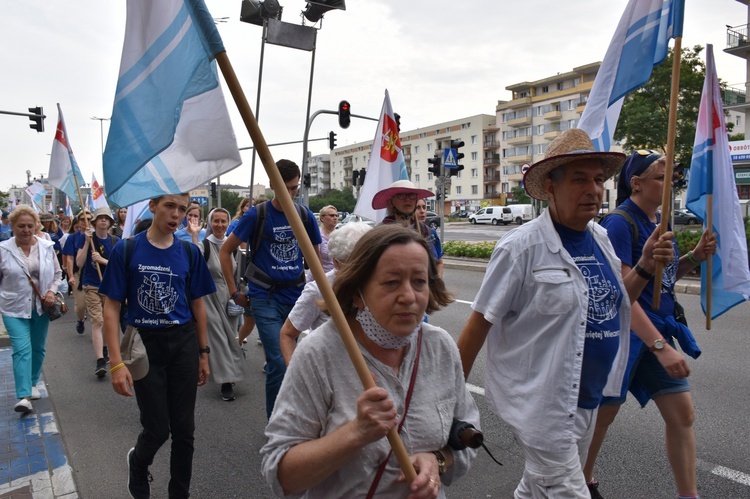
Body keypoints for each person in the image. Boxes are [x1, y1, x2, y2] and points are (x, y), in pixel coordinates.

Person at [456, 129, 677, 499]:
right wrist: (448, 400)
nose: (593, 189)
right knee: (568, 490)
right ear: (551, 188)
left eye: (597, 179)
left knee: (538, 487)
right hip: (545, 405)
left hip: (589, 397)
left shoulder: (601, 238)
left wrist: (643, 266)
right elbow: (478, 325)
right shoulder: (520, 249)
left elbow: (617, 303)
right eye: (579, 179)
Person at [261, 225, 480, 498]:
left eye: (419, 282)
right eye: (391, 282)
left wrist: (438, 460)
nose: (409, 296)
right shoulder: (318, 353)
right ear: (357, 292)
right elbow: (281, 475)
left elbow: (467, 435)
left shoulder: (441, 346)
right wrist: (355, 433)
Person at [582, 151, 717, 499]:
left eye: (670, 177)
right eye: (660, 177)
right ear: (637, 184)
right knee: (603, 415)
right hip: (627, 338)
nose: (668, 183)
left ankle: (689, 495)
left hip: (657, 334)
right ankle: (581, 482)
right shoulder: (619, 223)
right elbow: (623, 295)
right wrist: (660, 346)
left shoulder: (662, 222)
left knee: (682, 414)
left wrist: (694, 258)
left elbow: (663, 280)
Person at [100, 193, 215, 499]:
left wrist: (203, 354)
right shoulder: (127, 249)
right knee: (157, 429)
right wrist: (116, 363)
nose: (176, 214)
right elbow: (111, 308)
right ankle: (138, 463)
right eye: (169, 206)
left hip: (183, 343)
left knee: (184, 431)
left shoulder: (189, 253)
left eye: (182, 209)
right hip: (144, 345)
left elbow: (198, 306)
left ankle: (179, 494)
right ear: (153, 206)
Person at [220, 159, 322, 419]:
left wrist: (321, 291)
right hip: (264, 296)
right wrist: (234, 292)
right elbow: (225, 250)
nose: (291, 193)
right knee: (277, 360)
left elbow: (316, 259)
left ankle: (291, 417)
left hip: (296, 295)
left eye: (294, 187)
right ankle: (277, 422)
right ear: (272, 185)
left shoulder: (304, 215)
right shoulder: (258, 214)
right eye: (286, 187)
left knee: (292, 360)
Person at [280, 221, 373, 365]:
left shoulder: (380, 285)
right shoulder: (318, 290)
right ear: (336, 262)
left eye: (369, 261)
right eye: (355, 263)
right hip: (328, 372)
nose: (364, 270)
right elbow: (287, 334)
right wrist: (296, 375)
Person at [0, 205, 62, 413]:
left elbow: (57, 273)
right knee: (21, 349)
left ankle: (33, 382)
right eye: (21, 226)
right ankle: (24, 395)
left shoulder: (46, 246)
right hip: (12, 307)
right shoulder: (3, 249)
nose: (26, 230)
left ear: (37, 226)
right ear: (12, 226)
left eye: (29, 226)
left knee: (38, 347)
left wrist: (52, 292)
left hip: (41, 306)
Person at [199, 207, 246, 402]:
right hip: (209, 297)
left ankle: (229, 370)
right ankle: (227, 381)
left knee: (229, 338)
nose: (219, 225)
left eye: (223, 221)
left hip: (229, 296)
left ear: (228, 223)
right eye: (216, 221)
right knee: (218, 337)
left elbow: (237, 274)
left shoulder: (232, 246)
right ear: (210, 223)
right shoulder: (204, 246)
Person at [75, 206, 119, 377]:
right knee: (98, 321)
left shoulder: (115, 241)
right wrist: (86, 243)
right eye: (100, 218)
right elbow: (79, 263)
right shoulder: (87, 238)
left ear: (110, 223)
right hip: (91, 285)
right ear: (93, 222)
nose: (103, 220)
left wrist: (103, 260)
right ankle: (100, 360)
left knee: (109, 321)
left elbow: (119, 265)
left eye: (106, 218)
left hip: (108, 286)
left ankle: (106, 348)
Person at [372, 179, 444, 276]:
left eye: (412, 195)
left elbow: (438, 262)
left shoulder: (428, 232)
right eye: (401, 195)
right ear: (390, 202)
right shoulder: (378, 234)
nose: (408, 199)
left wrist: (436, 285)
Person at [63, 211, 90, 332]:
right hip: (78, 274)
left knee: (96, 306)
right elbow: (69, 258)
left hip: (93, 274)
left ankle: (98, 330)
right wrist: (70, 276)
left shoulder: (96, 236)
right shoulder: (72, 238)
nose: (86, 222)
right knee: (81, 305)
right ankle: (80, 319)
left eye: (89, 219)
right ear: (78, 222)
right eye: (83, 219)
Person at [316, 204, 338, 274]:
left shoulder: (340, 234)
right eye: (331, 215)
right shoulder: (317, 235)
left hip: (336, 277)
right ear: (322, 218)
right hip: (320, 276)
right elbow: (315, 259)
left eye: (336, 215)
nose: (335, 218)